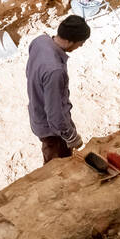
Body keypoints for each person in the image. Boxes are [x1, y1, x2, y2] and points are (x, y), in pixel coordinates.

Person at [26, 14, 91, 164]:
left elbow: (30, 71)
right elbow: (55, 115)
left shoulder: (40, 41)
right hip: (52, 131)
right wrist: (71, 137)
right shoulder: (55, 71)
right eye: (80, 43)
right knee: (57, 167)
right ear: (70, 41)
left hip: (37, 113)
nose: (79, 47)